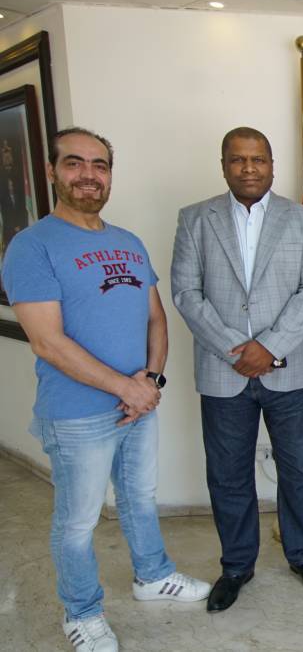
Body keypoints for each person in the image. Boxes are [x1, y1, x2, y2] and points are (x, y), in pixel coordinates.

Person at [1, 127, 209, 652]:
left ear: (110, 175)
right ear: (51, 171)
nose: (88, 175)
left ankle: (152, 575)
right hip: (76, 415)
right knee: (78, 522)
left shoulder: (128, 242)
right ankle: (82, 612)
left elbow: (156, 319)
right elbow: (47, 341)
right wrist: (126, 387)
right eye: (74, 163)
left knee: (139, 498)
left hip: (138, 403)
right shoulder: (31, 246)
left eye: (100, 165)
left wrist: (151, 381)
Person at [171, 127, 303, 612]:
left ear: (272, 165)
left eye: (258, 159)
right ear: (223, 165)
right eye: (238, 159)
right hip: (224, 372)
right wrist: (236, 351)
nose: (248, 168)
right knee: (228, 475)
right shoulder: (195, 219)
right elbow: (186, 293)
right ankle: (237, 565)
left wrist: (270, 346)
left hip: (290, 370)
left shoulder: (302, 219)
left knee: (300, 470)